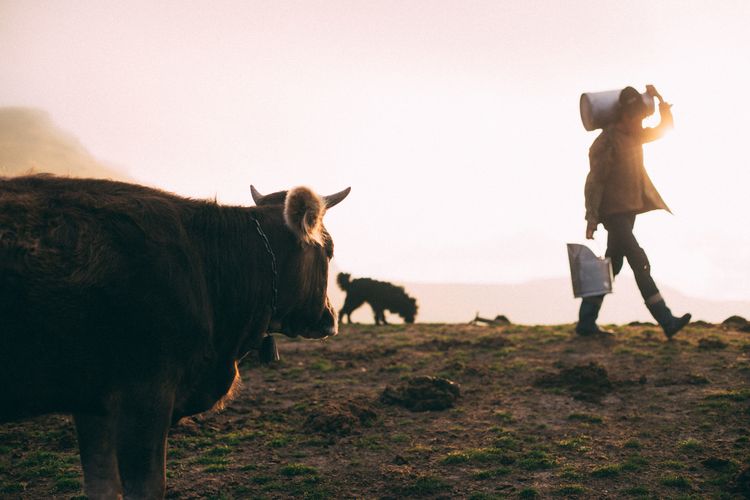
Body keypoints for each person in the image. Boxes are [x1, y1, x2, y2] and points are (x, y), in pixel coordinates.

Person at [578, 85, 691, 339]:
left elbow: (665, 129)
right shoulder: (606, 142)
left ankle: (586, 322)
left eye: (642, 118)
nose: (639, 123)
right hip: (613, 214)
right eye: (635, 118)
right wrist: (592, 218)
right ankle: (666, 319)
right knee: (639, 260)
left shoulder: (635, 135)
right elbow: (594, 182)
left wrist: (661, 101)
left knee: (612, 266)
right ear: (623, 116)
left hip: (628, 212)